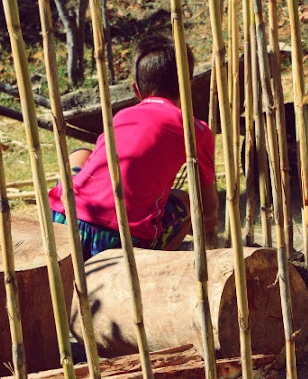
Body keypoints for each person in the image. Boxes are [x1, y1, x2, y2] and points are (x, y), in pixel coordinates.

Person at [49, 35, 218, 260]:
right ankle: (152, 262)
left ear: (136, 90)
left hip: (63, 220)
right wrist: (208, 229)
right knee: (186, 202)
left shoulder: (121, 117)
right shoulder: (195, 130)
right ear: (189, 85)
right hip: (119, 240)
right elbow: (208, 212)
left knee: (81, 154)